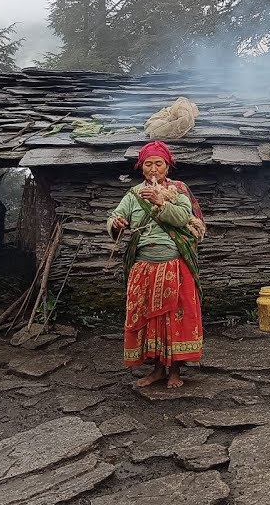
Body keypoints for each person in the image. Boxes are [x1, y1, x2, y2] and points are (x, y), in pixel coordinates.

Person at [107, 141, 206, 388]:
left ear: (167, 167)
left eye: (158, 164)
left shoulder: (179, 190)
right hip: (143, 265)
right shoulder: (133, 194)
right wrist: (116, 223)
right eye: (148, 164)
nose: (153, 169)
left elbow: (184, 217)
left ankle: (175, 371)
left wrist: (161, 202)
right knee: (149, 319)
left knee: (174, 319)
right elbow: (114, 216)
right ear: (141, 168)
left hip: (174, 263)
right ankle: (157, 370)